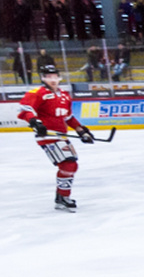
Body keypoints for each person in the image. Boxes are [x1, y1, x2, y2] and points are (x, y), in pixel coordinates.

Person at [17, 64, 95, 212]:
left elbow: (69, 117)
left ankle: (61, 197)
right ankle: (62, 198)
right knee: (68, 164)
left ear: (59, 78)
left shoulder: (65, 95)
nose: (52, 80)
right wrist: (35, 122)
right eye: (48, 77)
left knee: (72, 166)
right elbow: (26, 110)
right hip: (48, 135)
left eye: (54, 77)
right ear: (42, 78)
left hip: (61, 136)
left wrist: (81, 131)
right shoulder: (37, 93)